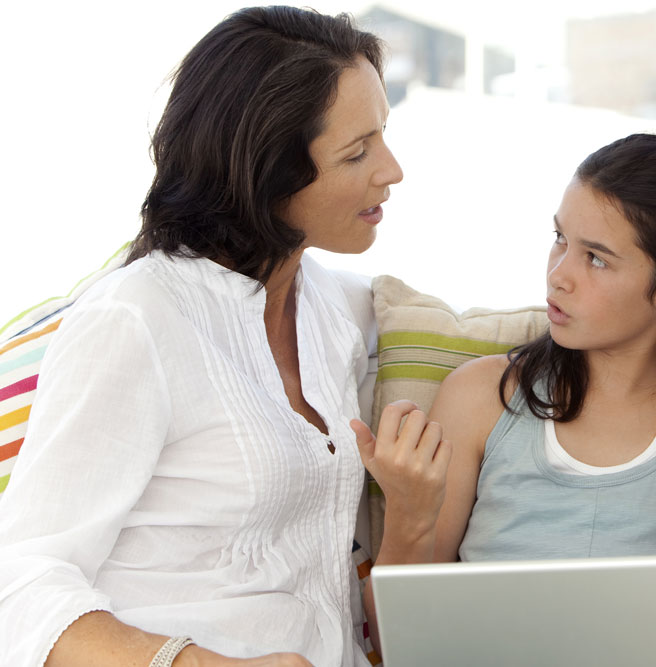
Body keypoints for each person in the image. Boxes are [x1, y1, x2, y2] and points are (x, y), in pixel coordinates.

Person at [0, 6, 402, 666]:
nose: (392, 169)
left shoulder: (332, 309)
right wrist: (197, 663)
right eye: (356, 152)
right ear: (266, 171)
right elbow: (17, 579)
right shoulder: (137, 319)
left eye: (383, 134)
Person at [352, 133, 656, 656]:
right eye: (560, 239)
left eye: (597, 259)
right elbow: (395, 641)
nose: (558, 276)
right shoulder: (480, 398)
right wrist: (408, 511)